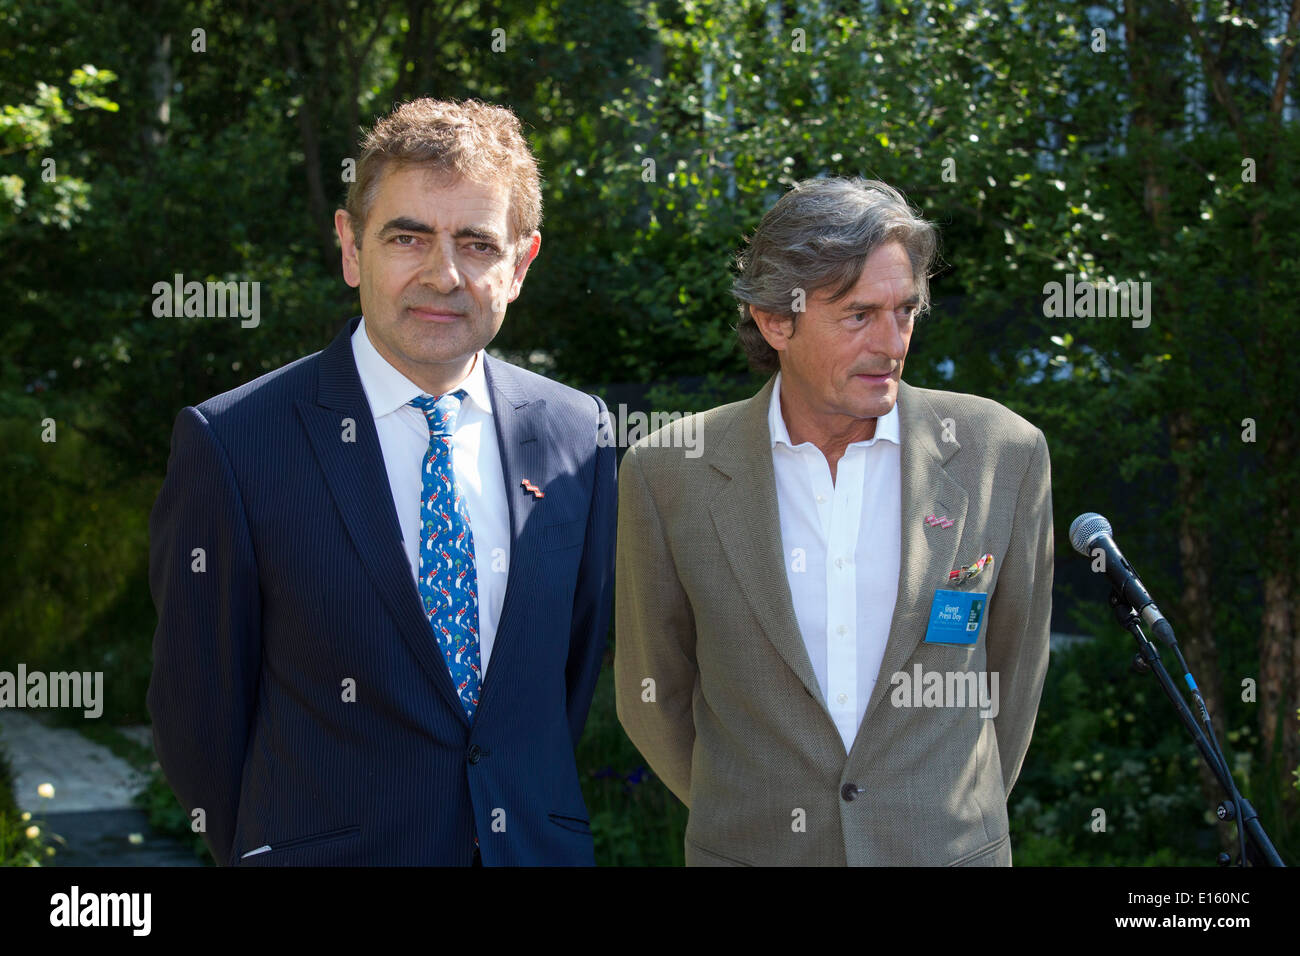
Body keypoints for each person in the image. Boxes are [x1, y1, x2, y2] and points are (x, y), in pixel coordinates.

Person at [147, 98, 615, 866]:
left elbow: (568, 677)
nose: (444, 274)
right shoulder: (235, 443)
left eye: (476, 243)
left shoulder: (577, 433)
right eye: (408, 237)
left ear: (521, 263)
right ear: (350, 248)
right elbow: (195, 711)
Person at [614, 177, 1053, 866]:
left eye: (905, 311)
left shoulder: (1002, 453)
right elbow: (652, 694)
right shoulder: (668, 474)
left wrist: (933, 810)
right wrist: (745, 804)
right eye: (859, 315)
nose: (891, 342)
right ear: (774, 320)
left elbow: (1015, 673)